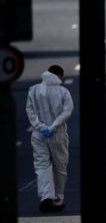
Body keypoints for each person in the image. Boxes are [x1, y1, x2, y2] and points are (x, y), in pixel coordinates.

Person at [26, 65, 74, 213]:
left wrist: (40, 126)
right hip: (58, 133)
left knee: (42, 165)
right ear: (60, 75)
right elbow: (67, 112)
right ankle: (58, 199)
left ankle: (46, 197)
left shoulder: (33, 90)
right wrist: (53, 127)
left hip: (38, 134)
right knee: (60, 167)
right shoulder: (63, 91)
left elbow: (30, 110)